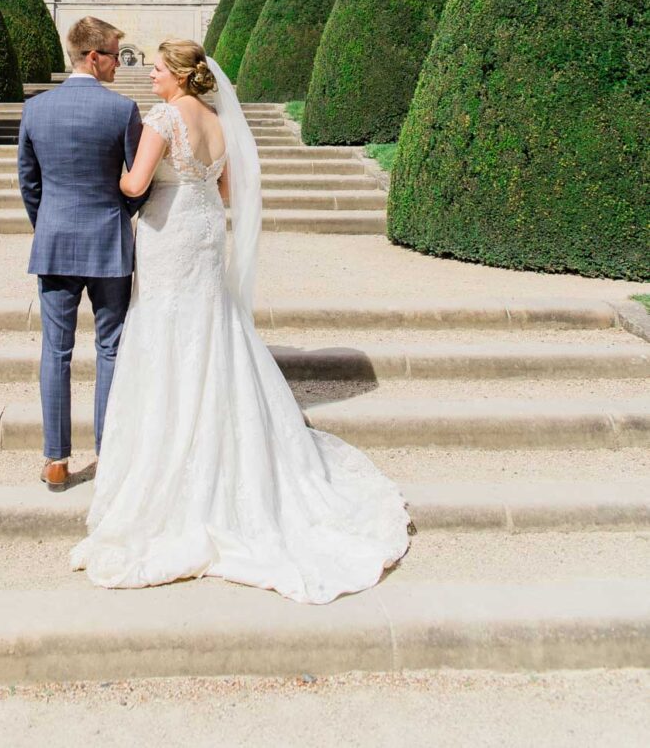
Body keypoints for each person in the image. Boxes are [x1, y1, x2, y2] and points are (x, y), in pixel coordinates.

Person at [70, 37, 411, 604]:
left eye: (157, 69)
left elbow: (134, 185)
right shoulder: (218, 122)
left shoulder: (162, 118)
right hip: (206, 229)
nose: (151, 76)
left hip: (170, 233)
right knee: (210, 325)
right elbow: (229, 190)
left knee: (166, 329)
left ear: (179, 75)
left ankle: (169, 445)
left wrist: (104, 170)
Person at [17, 16, 148, 491]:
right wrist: (118, 213)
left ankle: (56, 459)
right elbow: (139, 182)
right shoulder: (122, 110)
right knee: (110, 347)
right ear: (93, 57)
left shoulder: (36, 109)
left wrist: (49, 223)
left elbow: (28, 181)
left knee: (55, 351)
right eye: (114, 55)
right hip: (108, 240)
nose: (118, 64)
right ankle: (108, 454)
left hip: (54, 241)